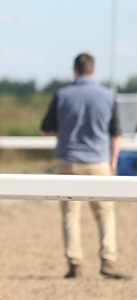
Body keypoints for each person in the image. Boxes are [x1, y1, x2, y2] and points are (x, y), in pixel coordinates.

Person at [40, 53, 128, 279]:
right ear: (93, 70)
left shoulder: (62, 95)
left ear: (75, 70)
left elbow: (46, 129)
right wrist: (113, 160)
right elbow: (116, 132)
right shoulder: (108, 95)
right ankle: (108, 259)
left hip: (67, 160)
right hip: (98, 161)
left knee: (70, 213)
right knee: (105, 212)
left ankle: (75, 263)